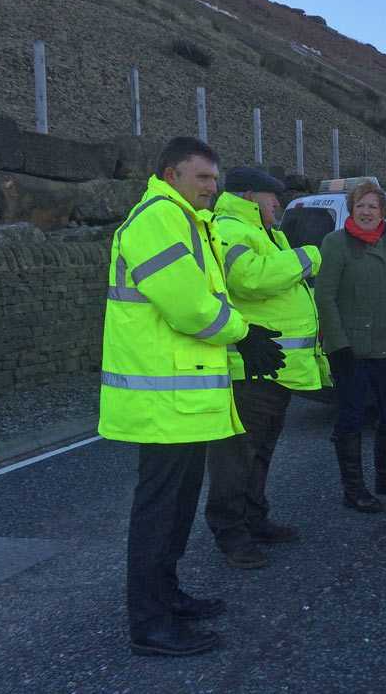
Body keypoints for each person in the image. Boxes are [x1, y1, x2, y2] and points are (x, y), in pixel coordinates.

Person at [99, 137, 284, 656]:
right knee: (158, 510)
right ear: (170, 173)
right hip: (161, 401)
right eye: (201, 176)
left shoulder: (187, 221)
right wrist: (244, 334)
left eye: (215, 177)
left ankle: (168, 596)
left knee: (177, 507)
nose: (213, 186)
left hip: (181, 399)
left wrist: (241, 337)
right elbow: (188, 306)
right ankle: (150, 625)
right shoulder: (159, 218)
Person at [205, 166, 331, 569]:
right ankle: (232, 537)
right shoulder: (230, 228)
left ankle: (255, 521)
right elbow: (249, 280)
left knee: (259, 454)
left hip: (274, 369)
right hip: (248, 372)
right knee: (236, 458)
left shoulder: (264, 232)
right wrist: (309, 255)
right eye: (270, 196)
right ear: (248, 197)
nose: (277, 203)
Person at [315, 179, 386, 513]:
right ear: (351, 208)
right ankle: (354, 490)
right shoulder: (335, 243)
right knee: (352, 416)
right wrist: (337, 343)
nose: (366, 211)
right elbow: (325, 295)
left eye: (372, 206)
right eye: (360, 205)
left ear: (383, 211)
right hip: (351, 351)